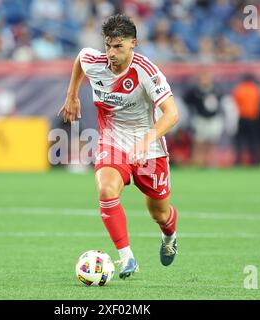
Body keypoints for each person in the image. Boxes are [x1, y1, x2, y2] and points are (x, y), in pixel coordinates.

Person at [58, 14, 179, 279]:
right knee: (105, 188)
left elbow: (171, 114)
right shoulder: (96, 62)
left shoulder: (146, 71)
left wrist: (146, 139)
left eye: (119, 47)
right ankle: (127, 258)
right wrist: (72, 95)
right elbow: (80, 58)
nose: (111, 53)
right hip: (112, 141)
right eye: (108, 46)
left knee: (159, 213)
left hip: (149, 147)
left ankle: (169, 236)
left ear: (133, 43)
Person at [183, 71, 222, 167]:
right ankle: (197, 163)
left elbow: (220, 103)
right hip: (200, 119)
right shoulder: (195, 91)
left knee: (211, 142)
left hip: (213, 119)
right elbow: (186, 102)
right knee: (198, 143)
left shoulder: (216, 90)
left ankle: (210, 163)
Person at [231, 74, 260, 165]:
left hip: (242, 117)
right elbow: (259, 101)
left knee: (239, 141)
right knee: (254, 140)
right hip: (253, 118)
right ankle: (255, 160)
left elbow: (234, 101)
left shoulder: (239, 89)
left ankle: (238, 161)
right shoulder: (255, 89)